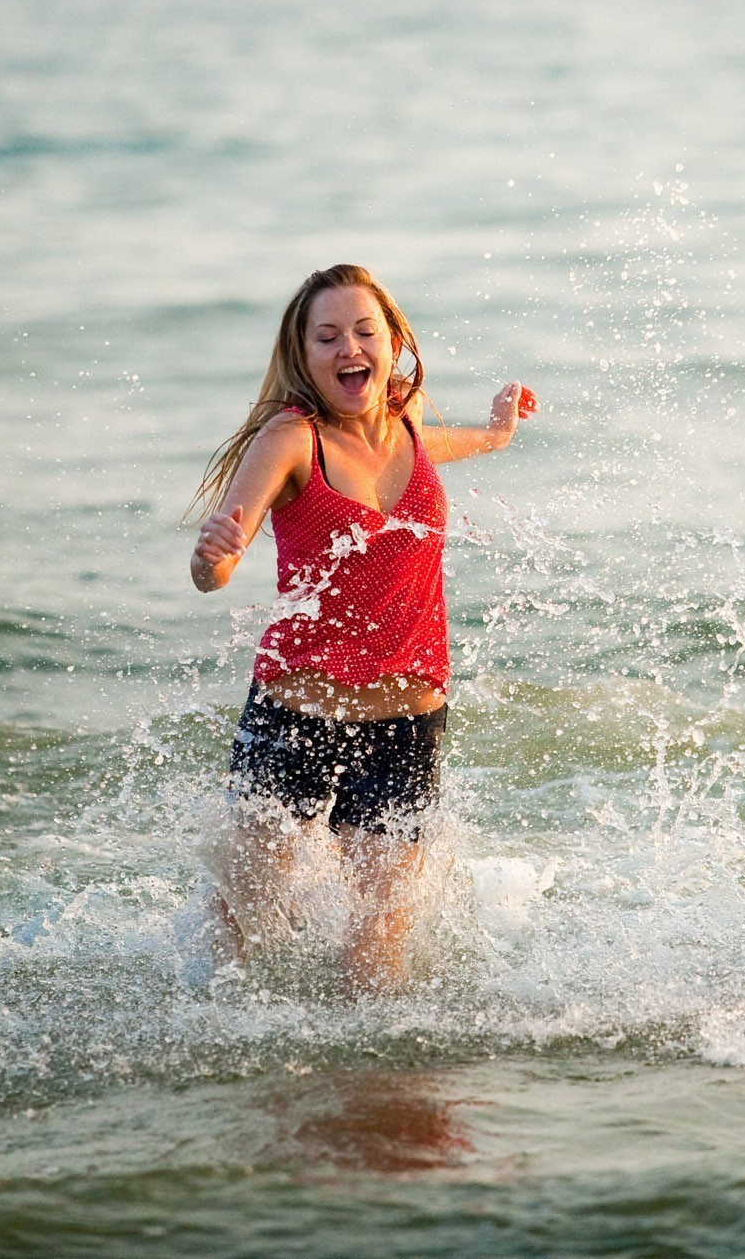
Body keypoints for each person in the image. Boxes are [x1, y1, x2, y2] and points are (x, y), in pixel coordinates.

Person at [187, 263, 536, 989]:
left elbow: (442, 448)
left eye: (364, 330)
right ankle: (222, 1070)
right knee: (243, 927)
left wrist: (498, 435)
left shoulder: (406, 419)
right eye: (328, 335)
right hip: (296, 717)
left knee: (378, 958)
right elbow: (218, 564)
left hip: (407, 726)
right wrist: (211, 560)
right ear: (305, 357)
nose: (349, 345)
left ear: (394, 341)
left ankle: (374, 1095)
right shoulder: (291, 440)